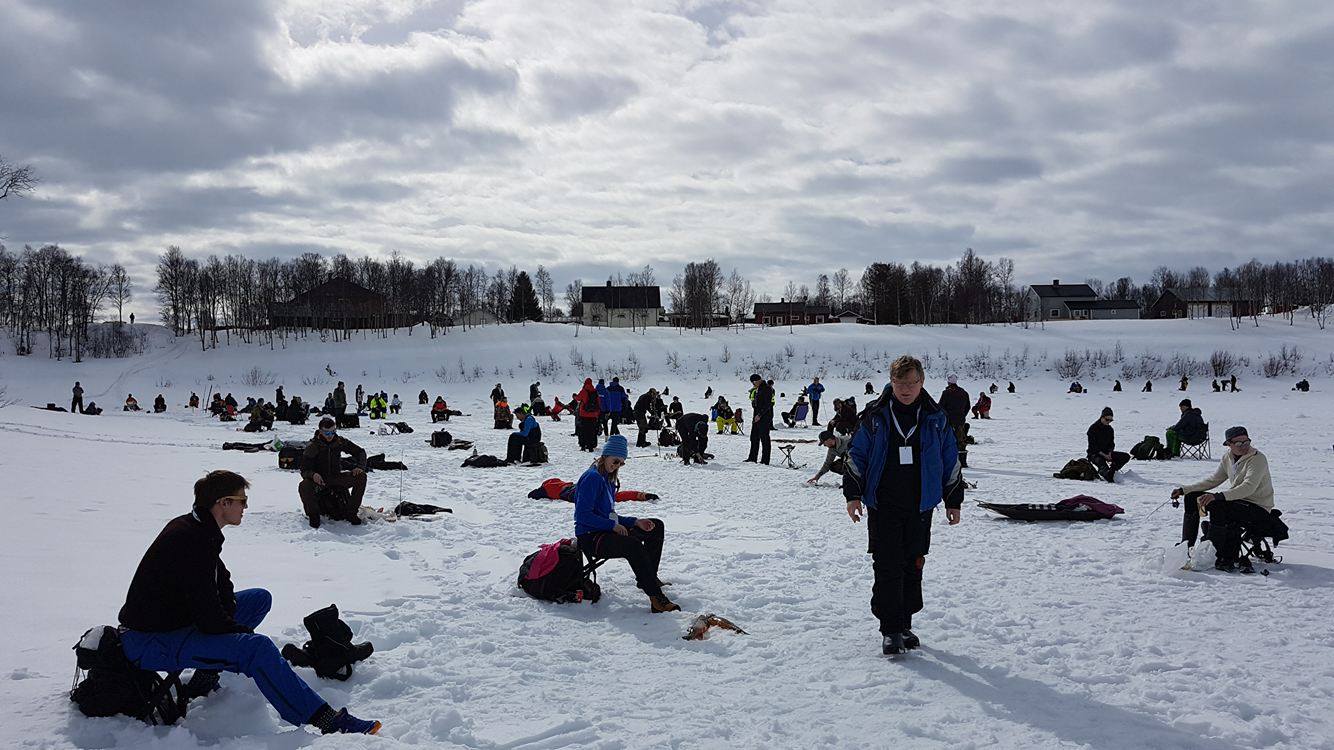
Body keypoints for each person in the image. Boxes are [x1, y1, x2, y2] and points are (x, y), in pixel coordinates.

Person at [116, 470, 380, 735]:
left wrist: (229, 617)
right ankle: (326, 720)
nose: (245, 507)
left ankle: (204, 678)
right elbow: (209, 617)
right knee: (256, 649)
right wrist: (238, 633)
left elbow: (220, 586)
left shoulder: (199, 528)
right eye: (242, 501)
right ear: (223, 503)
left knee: (258, 599)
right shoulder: (191, 539)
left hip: (175, 623)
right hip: (149, 641)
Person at [844, 355, 963, 655]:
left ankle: (905, 623)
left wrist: (953, 500)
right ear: (891, 382)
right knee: (887, 564)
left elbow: (950, 459)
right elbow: (856, 456)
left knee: (913, 564)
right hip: (883, 504)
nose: (906, 389)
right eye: (900, 383)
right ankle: (891, 629)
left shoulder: (936, 418)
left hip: (921, 504)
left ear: (922, 382)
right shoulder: (875, 415)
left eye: (912, 383)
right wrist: (853, 495)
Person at [574, 436, 679, 612]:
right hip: (590, 537)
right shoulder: (592, 478)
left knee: (656, 526)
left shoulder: (607, 478)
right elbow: (582, 516)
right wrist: (612, 526)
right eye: (615, 461)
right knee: (632, 545)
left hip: (604, 530)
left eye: (621, 463)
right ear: (605, 455)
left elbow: (609, 515)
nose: (617, 466)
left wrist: (635, 522)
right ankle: (656, 599)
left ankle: (648, 579)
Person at [1171, 426, 1275, 570]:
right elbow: (1214, 480)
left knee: (1217, 504)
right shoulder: (1228, 457)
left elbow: (1248, 487)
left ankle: (1215, 553)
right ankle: (1186, 546)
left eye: (1246, 442)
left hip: (1258, 508)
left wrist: (1217, 496)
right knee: (1192, 498)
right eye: (1238, 443)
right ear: (1229, 444)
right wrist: (1185, 490)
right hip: (1237, 501)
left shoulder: (1257, 459)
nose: (1244, 446)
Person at [299, 417, 368, 528]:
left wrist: (360, 467)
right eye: (327, 433)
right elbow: (304, 470)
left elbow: (360, 452)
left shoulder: (339, 441)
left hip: (336, 477)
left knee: (361, 476)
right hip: (320, 481)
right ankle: (314, 516)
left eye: (333, 431)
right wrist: (313, 475)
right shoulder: (313, 446)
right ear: (320, 431)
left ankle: (351, 513)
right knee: (304, 485)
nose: (330, 435)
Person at [1087, 407, 1130, 483]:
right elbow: (1092, 446)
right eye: (1107, 419)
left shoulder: (1110, 429)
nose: (1109, 422)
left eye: (1111, 420)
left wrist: (1109, 453)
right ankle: (1107, 474)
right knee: (1103, 466)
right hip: (1095, 454)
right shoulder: (1093, 428)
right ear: (1102, 417)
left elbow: (1111, 444)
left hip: (1106, 453)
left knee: (1126, 456)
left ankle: (1113, 470)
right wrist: (1104, 455)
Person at [938, 375, 970, 468]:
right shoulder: (964, 392)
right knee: (961, 441)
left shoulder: (946, 393)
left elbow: (940, 406)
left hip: (949, 421)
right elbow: (968, 406)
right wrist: (962, 415)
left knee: (948, 441)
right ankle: (962, 462)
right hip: (960, 421)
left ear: (948, 382)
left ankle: (951, 462)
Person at [746, 374, 774, 464]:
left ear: (758, 380)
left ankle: (765, 460)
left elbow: (767, 404)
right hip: (756, 416)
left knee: (764, 438)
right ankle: (752, 458)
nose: (753, 385)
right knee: (754, 437)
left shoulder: (767, 388)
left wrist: (760, 415)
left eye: (754, 383)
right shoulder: (757, 389)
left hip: (764, 416)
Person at [575, 378, 601, 452]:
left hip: (584, 414)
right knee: (591, 431)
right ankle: (590, 446)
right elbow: (599, 402)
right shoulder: (595, 391)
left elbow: (578, 398)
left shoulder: (584, 391)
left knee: (583, 431)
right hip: (593, 415)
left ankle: (583, 446)